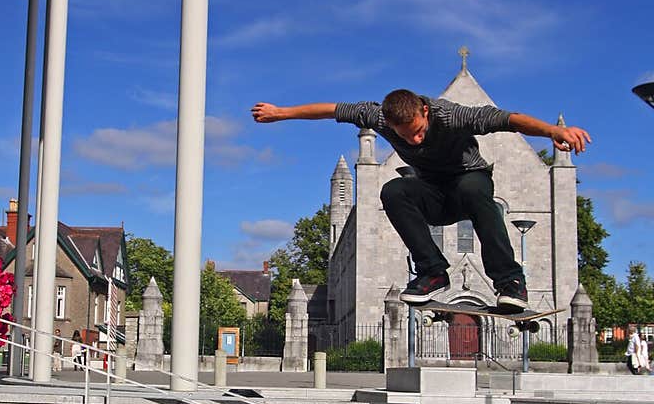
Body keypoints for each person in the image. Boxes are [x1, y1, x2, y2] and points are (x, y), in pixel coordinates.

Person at [251, 90, 591, 306]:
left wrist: (553, 131)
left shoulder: (451, 115)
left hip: (468, 184)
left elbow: (507, 119)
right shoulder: (377, 116)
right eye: (404, 136)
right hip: (434, 195)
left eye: (417, 131)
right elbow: (331, 109)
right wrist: (282, 113)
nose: (413, 141)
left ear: (425, 112)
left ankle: (509, 281)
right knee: (393, 190)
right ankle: (433, 271)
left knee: (473, 189)